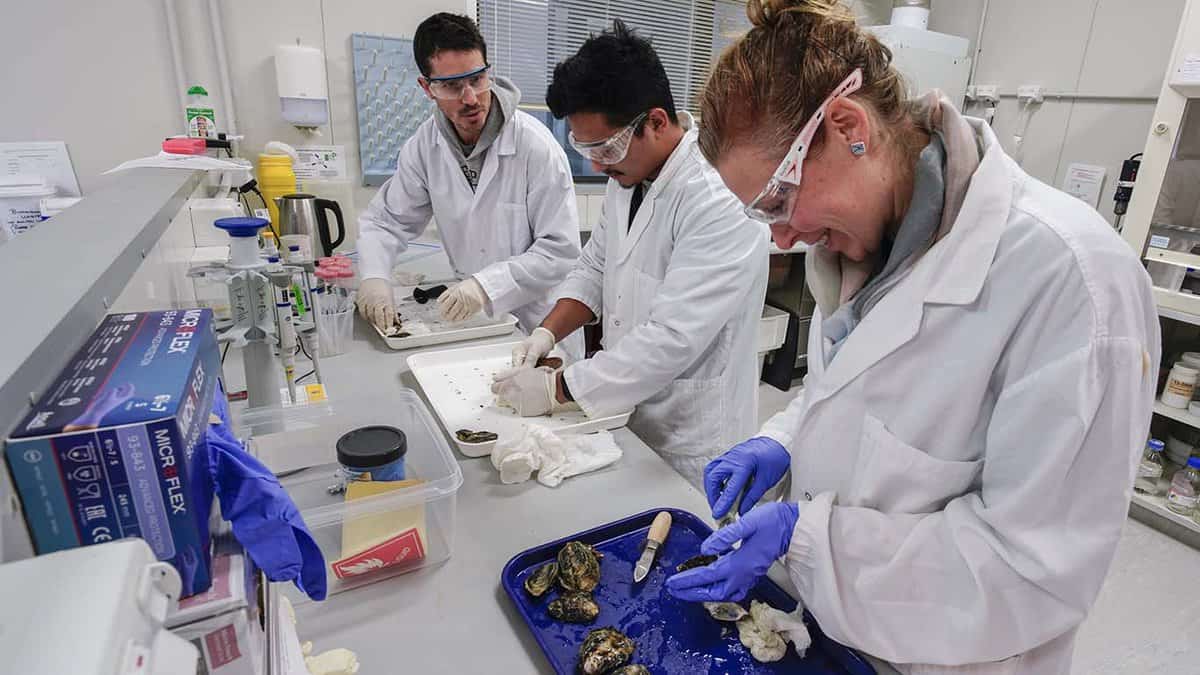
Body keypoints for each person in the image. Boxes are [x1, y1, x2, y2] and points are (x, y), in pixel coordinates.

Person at [664, 1, 1160, 673]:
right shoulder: (858, 251)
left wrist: (805, 540)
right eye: (762, 213)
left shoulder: (1071, 281)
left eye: (778, 200)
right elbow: (857, 399)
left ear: (847, 126)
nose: (779, 236)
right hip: (833, 634)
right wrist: (781, 441)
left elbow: (1030, 569)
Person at [490, 21, 769, 489]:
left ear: (656, 122)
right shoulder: (628, 177)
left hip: (691, 436)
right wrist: (545, 334)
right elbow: (595, 265)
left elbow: (672, 338)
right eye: (585, 147)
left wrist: (557, 389)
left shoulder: (719, 196)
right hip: (627, 413)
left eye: (605, 145)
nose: (597, 163)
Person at [356, 13, 583, 360]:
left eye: (477, 79)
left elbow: (560, 252)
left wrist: (484, 285)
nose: (470, 98)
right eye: (451, 86)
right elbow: (386, 221)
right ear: (426, 88)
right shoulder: (424, 148)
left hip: (537, 323)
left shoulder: (535, 146)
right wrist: (374, 278)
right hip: (471, 323)